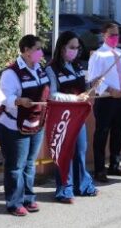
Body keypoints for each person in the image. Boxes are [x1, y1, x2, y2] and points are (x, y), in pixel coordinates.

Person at [0, 35, 49, 216]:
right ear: (26, 51)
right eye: (37, 49)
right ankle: (14, 202)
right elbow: (4, 97)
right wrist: (18, 101)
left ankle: (28, 197)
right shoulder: (10, 72)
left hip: (36, 124)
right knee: (16, 166)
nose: (40, 53)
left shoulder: (39, 69)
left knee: (29, 164)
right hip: (13, 126)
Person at [45, 31, 98, 204]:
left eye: (77, 48)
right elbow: (52, 95)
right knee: (65, 153)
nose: (75, 51)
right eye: (72, 47)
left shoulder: (78, 67)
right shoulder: (51, 68)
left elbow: (87, 87)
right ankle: (64, 189)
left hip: (78, 117)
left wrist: (96, 84)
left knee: (80, 151)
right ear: (62, 48)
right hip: (62, 118)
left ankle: (82, 185)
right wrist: (75, 99)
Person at [88, 22, 121, 182]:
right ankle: (99, 169)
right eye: (112, 34)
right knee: (102, 134)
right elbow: (94, 80)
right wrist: (109, 90)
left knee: (118, 134)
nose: (115, 37)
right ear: (104, 35)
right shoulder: (98, 55)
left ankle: (115, 164)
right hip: (106, 101)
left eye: (117, 34)